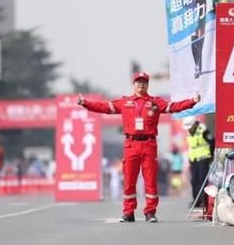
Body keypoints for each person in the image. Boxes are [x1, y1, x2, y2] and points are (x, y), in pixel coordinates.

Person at [78, 71, 200, 222]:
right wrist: (85, 103)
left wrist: (192, 101)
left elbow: (174, 107)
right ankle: (128, 212)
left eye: (144, 82)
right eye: (138, 81)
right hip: (131, 144)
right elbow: (104, 107)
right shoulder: (125, 102)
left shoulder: (155, 102)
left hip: (149, 144)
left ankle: (150, 212)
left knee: (150, 180)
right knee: (129, 180)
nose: (141, 84)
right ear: (133, 84)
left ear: (147, 85)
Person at [183, 117, 214, 208]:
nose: (188, 128)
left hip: (203, 158)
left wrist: (211, 156)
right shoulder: (189, 132)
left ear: (194, 124)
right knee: (194, 181)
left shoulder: (203, 130)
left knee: (202, 180)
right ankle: (196, 200)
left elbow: (212, 142)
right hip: (193, 159)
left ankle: (203, 201)